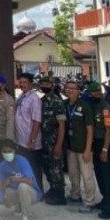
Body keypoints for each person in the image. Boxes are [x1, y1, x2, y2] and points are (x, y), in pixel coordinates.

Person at [85, 81, 110, 219]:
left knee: (108, 176)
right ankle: (105, 200)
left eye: (98, 93)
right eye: (93, 93)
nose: (95, 95)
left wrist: (105, 149)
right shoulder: (91, 106)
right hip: (96, 144)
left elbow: (109, 130)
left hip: (105, 144)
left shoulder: (106, 108)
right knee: (99, 173)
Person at [64, 79, 96, 213]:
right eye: (68, 88)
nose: (70, 90)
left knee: (87, 175)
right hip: (71, 147)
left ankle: (90, 201)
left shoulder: (84, 106)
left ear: (78, 91)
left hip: (83, 148)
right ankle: (75, 195)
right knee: (73, 174)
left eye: (73, 88)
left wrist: (88, 149)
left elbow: (90, 129)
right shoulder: (64, 105)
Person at [0, 141, 42, 220]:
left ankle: (26, 218)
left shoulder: (22, 161)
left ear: (14, 151)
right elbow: (0, 184)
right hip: (16, 191)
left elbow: (30, 181)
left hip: (32, 193)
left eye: (9, 151)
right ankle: (19, 205)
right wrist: (5, 198)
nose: (7, 154)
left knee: (22, 186)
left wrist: (13, 179)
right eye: (5, 152)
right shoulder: (2, 165)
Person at [38, 76, 66, 205]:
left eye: (47, 83)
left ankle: (60, 195)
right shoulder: (41, 101)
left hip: (54, 141)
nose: (44, 85)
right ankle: (53, 189)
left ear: (52, 85)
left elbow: (61, 125)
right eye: (42, 83)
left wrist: (59, 145)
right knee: (47, 168)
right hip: (44, 141)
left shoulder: (57, 102)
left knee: (56, 169)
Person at [14, 73, 43, 195]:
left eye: (25, 82)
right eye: (21, 82)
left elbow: (37, 121)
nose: (22, 84)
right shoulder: (22, 96)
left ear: (31, 83)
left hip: (31, 143)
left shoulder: (34, 99)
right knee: (24, 167)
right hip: (20, 141)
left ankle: (38, 192)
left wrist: (32, 140)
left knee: (34, 168)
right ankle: (27, 191)